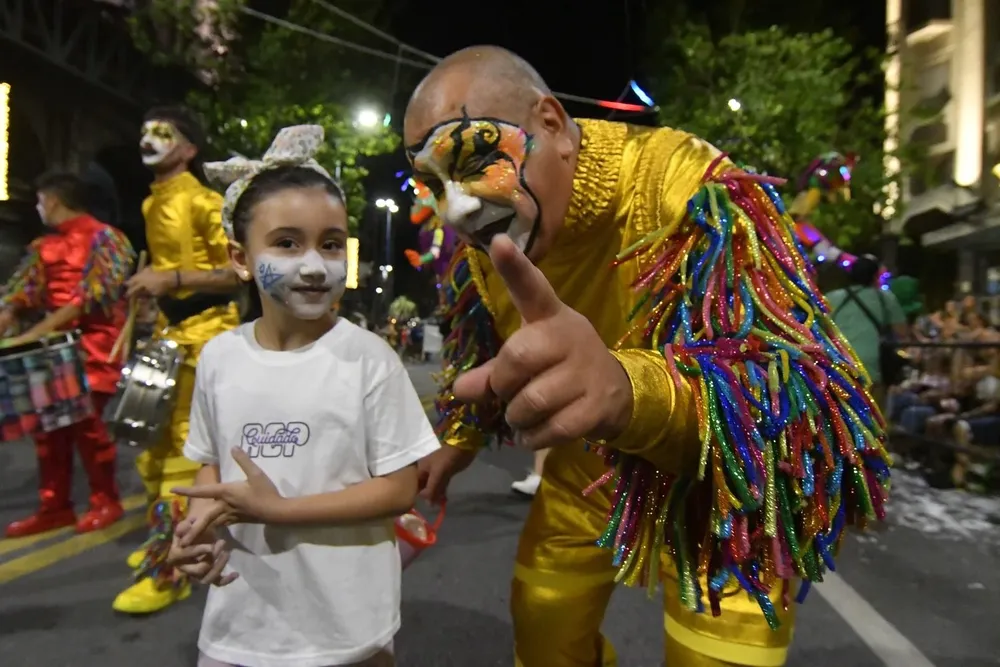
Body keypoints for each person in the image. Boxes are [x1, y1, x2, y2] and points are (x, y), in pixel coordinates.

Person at [406, 46, 889, 667]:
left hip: (722, 499)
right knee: (543, 632)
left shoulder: (691, 187)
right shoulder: (486, 247)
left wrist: (630, 391)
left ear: (551, 125)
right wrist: (459, 438)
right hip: (586, 481)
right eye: (434, 184)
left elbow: (794, 387)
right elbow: (484, 344)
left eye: (475, 161)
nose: (457, 208)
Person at [166, 125, 438, 667]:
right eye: (287, 243)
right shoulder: (219, 358)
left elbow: (399, 489)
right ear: (240, 258)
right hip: (241, 619)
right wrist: (197, 531)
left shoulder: (369, 359)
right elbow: (211, 468)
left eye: (331, 243)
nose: (315, 264)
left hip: (346, 626)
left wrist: (281, 511)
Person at [112, 105, 241, 615]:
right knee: (149, 444)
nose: (148, 139)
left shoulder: (206, 202)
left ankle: (173, 567)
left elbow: (237, 269)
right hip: (169, 335)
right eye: (144, 130)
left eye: (162, 133)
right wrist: (153, 296)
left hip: (206, 336)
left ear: (188, 149)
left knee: (182, 453)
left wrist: (174, 280)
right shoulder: (152, 205)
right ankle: (164, 540)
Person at [0, 171, 134, 537]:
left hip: (93, 347)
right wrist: (9, 318)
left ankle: (106, 500)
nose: (39, 208)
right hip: (51, 351)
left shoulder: (107, 239)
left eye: (41, 201)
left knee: (89, 429)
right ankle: (54, 506)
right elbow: (18, 296)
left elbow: (88, 299)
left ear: (54, 200)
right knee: (48, 431)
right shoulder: (43, 247)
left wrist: (33, 334)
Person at [827, 254, 908, 409]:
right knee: (873, 414)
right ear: (875, 276)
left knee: (841, 414)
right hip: (871, 364)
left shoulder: (832, 297)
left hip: (838, 361)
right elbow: (901, 331)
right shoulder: (885, 298)